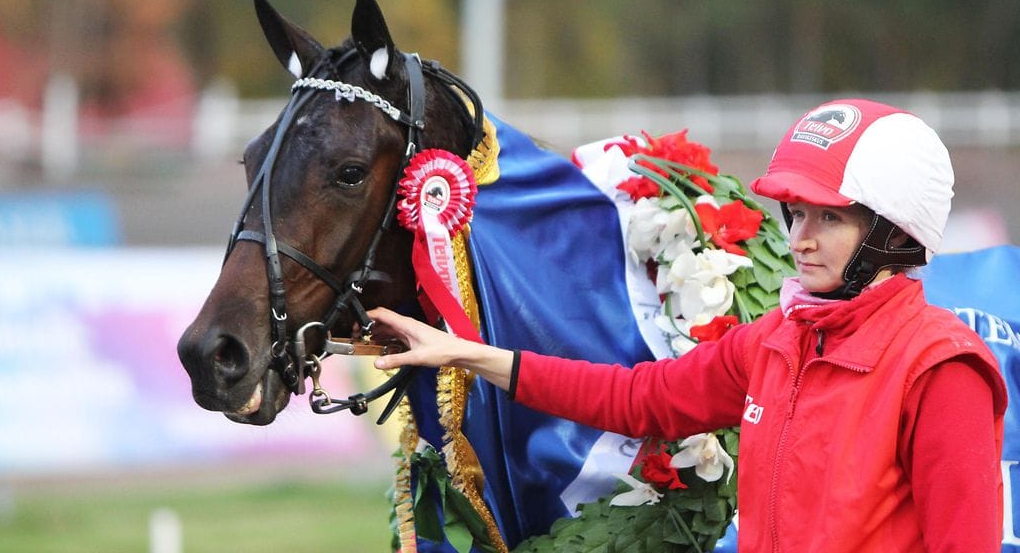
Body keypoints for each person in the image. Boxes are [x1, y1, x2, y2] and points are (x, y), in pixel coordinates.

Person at [366, 98, 1008, 552]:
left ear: (893, 232)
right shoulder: (775, 340)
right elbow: (636, 399)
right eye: (796, 214)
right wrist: (467, 352)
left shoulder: (941, 367)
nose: (800, 240)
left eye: (829, 218)